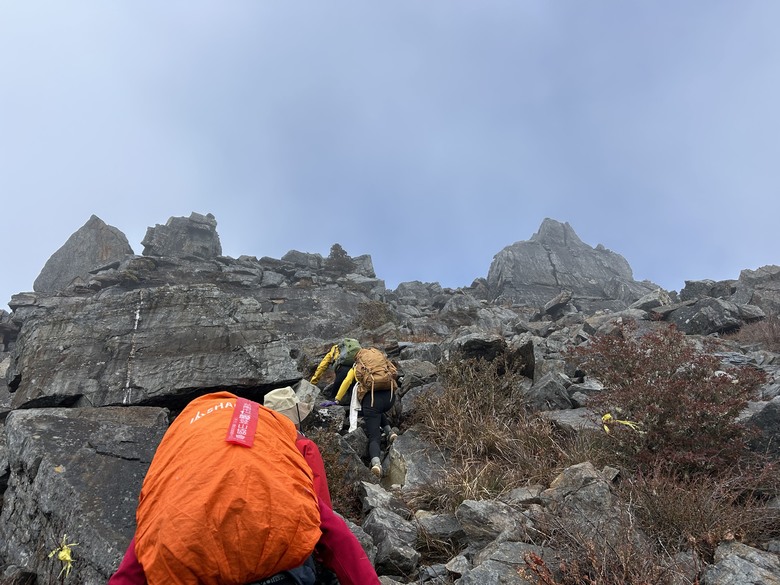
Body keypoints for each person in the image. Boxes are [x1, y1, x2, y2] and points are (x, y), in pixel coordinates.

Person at [107, 390, 380, 585]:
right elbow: (323, 523)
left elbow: (148, 541)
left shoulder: (186, 464)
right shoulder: (289, 450)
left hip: (190, 565)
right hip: (280, 568)